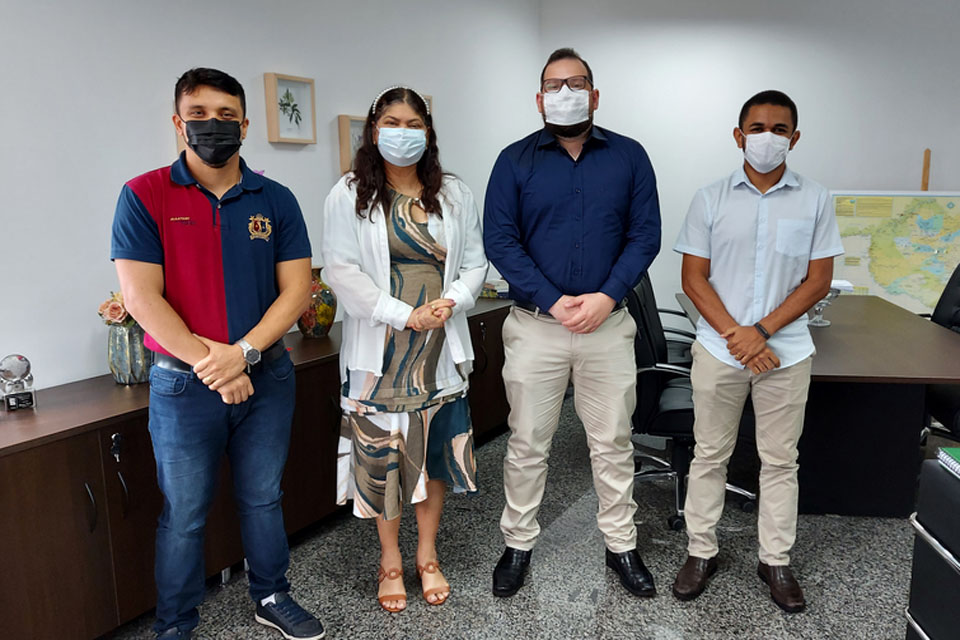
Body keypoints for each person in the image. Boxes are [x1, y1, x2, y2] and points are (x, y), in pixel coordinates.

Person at [111, 68, 325, 640]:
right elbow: (140, 298)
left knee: (263, 498)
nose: (214, 125)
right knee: (184, 514)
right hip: (184, 386)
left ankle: (272, 595)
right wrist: (217, 365)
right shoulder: (144, 194)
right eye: (199, 114)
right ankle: (175, 624)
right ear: (178, 123)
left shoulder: (275, 199)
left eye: (227, 115)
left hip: (266, 377)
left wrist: (245, 353)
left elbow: (296, 291)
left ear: (245, 125)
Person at [483, 48, 662, 598]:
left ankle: (621, 545)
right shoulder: (513, 161)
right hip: (536, 326)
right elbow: (500, 241)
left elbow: (645, 236)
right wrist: (554, 300)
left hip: (607, 327)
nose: (565, 93)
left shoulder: (630, 156)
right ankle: (517, 544)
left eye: (576, 83)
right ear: (539, 100)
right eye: (554, 85)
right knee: (527, 443)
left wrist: (608, 296)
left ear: (595, 95)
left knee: (612, 443)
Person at [671, 90, 844, 612]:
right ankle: (701, 552)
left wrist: (761, 331)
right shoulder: (709, 198)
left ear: (795, 137)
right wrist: (738, 336)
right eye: (757, 127)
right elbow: (693, 278)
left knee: (780, 461)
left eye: (779, 129)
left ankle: (775, 560)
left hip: (785, 353)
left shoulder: (816, 199)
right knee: (709, 455)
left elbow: (818, 281)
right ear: (738, 135)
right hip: (720, 350)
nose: (767, 137)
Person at [320, 86, 488, 613]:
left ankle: (427, 554)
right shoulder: (349, 193)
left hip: (438, 350)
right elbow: (340, 271)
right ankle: (390, 558)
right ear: (374, 130)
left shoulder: (453, 192)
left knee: (433, 456)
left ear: (428, 133)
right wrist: (403, 314)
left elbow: (475, 262)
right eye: (392, 122)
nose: (403, 132)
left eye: (414, 124)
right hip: (380, 356)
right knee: (384, 460)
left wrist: (452, 300)